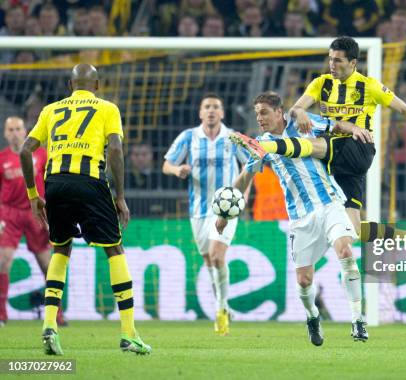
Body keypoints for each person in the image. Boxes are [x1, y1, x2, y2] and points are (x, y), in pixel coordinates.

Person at [231, 36, 406, 246]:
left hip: (359, 149)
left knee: (314, 145)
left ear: (353, 63)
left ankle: (261, 146)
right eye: (330, 59)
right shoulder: (321, 83)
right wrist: (299, 112)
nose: (332, 65)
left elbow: (405, 110)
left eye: (338, 60)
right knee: (355, 229)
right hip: (338, 160)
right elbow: (295, 110)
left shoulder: (369, 86)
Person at [19, 64, 151, 355]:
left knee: (60, 250)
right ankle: (129, 333)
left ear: (70, 84)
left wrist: (33, 195)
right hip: (90, 181)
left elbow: (25, 150)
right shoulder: (107, 108)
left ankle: (49, 326)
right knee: (114, 250)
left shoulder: (51, 110)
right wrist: (120, 196)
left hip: (55, 184)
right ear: (97, 85)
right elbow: (115, 148)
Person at [219, 91, 366, 346]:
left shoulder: (303, 122)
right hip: (300, 218)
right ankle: (312, 316)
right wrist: (224, 214)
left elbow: (334, 124)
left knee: (345, 251)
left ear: (279, 112)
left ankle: (358, 320)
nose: (260, 118)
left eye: (264, 112)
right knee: (304, 280)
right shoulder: (262, 144)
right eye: (257, 114)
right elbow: (244, 178)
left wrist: (353, 128)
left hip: (330, 203)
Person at [162, 94, 246, 336]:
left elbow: (248, 166)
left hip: (226, 207)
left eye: (216, 107)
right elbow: (166, 164)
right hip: (197, 209)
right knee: (209, 261)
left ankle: (220, 310)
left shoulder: (232, 138)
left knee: (217, 256)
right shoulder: (189, 137)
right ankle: (225, 304)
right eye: (207, 107)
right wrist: (177, 169)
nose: (211, 111)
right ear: (200, 113)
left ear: (222, 113)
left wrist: (243, 194)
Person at [0, 116, 65, 327]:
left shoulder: (42, 154)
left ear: (26, 130)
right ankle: (1, 315)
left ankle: (57, 315)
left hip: (36, 212)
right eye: (10, 129)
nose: (15, 133)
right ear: (5, 133)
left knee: (48, 264)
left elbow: (53, 180)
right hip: (9, 214)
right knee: (3, 261)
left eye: (18, 128)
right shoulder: (2, 159)